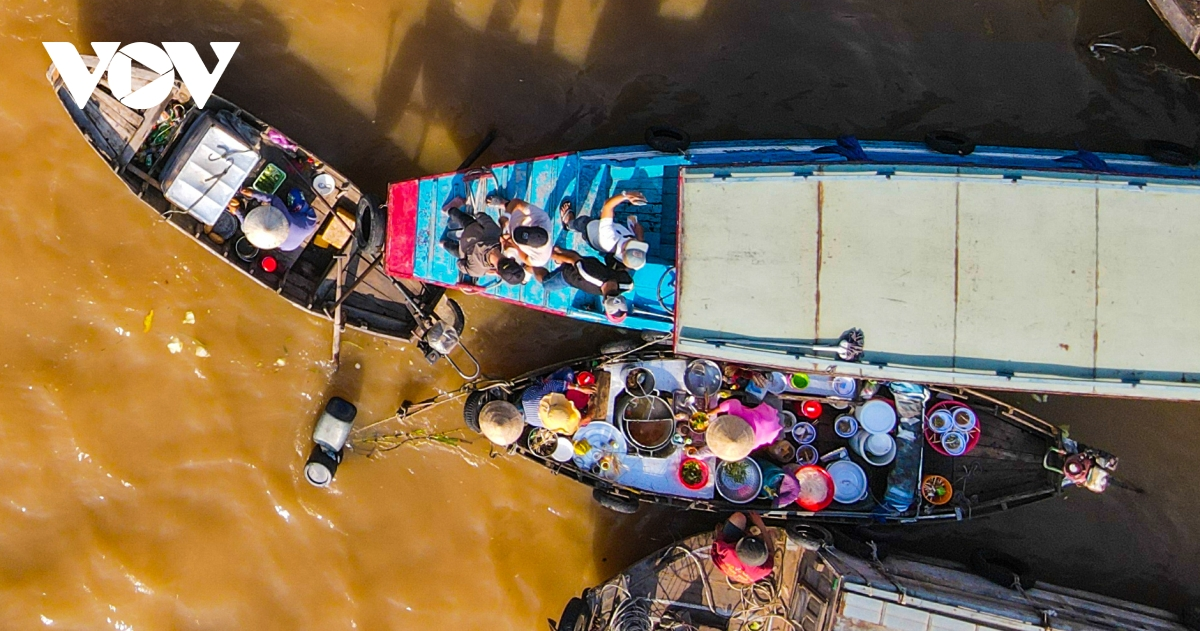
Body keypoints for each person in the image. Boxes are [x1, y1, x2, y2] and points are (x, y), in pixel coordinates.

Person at [528, 247, 633, 323]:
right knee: (547, 284)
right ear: (603, 301)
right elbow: (573, 258)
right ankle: (532, 264)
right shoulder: (589, 276)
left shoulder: (628, 284)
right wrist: (547, 255)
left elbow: (622, 270)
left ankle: (559, 255)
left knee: (577, 260)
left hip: (592, 264)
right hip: (569, 274)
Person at [560, 191, 651, 270]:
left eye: (635, 244)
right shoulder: (633, 247)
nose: (638, 242)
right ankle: (604, 219)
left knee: (581, 222)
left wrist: (626, 195)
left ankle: (568, 224)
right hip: (609, 229)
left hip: (590, 229)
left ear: (623, 250)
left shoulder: (609, 240)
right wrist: (640, 237)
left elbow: (607, 206)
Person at [440, 205, 524, 285]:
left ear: (512, 259)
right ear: (497, 272)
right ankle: (443, 244)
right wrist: (485, 271)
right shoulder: (477, 271)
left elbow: (482, 216)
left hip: (471, 227)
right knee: (454, 251)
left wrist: (476, 214)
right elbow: (460, 264)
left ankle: (449, 210)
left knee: (460, 217)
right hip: (462, 249)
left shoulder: (495, 233)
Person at [487, 193, 555, 268]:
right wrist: (506, 216)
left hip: (510, 236)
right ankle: (505, 204)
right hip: (515, 216)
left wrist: (513, 245)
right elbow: (516, 202)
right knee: (512, 205)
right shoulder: (542, 217)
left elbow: (526, 259)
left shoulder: (540, 259)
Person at [711, 512, 775, 584]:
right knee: (771, 535)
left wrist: (719, 533)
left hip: (731, 542)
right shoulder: (764, 570)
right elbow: (771, 552)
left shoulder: (726, 551)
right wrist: (762, 527)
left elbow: (718, 540)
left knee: (739, 518)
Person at [520, 368, 595, 426]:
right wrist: (586, 417)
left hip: (532, 394)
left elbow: (556, 384)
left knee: (568, 372)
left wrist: (579, 388)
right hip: (531, 412)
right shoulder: (554, 420)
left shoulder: (544, 396)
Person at [711, 397, 783, 450]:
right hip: (767, 417)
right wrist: (711, 412)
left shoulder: (749, 444)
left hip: (769, 432)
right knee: (750, 409)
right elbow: (732, 402)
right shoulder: (739, 416)